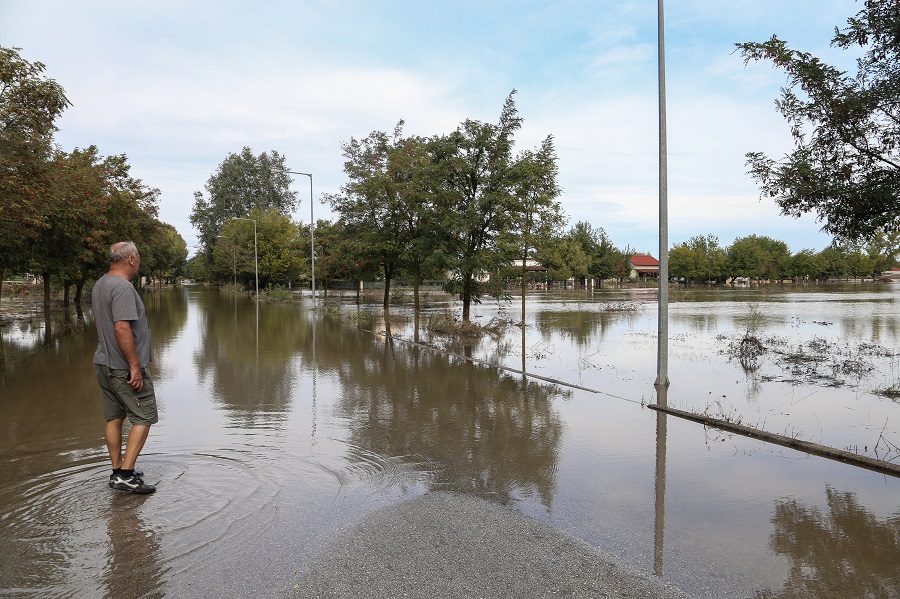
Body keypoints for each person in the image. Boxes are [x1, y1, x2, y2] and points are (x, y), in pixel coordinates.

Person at [92, 241, 157, 494]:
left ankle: (118, 470)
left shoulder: (101, 283)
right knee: (144, 416)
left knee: (115, 417)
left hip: (103, 363)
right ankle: (126, 476)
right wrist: (135, 367)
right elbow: (121, 327)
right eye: (138, 257)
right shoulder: (122, 287)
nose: (139, 262)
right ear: (130, 259)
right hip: (122, 367)